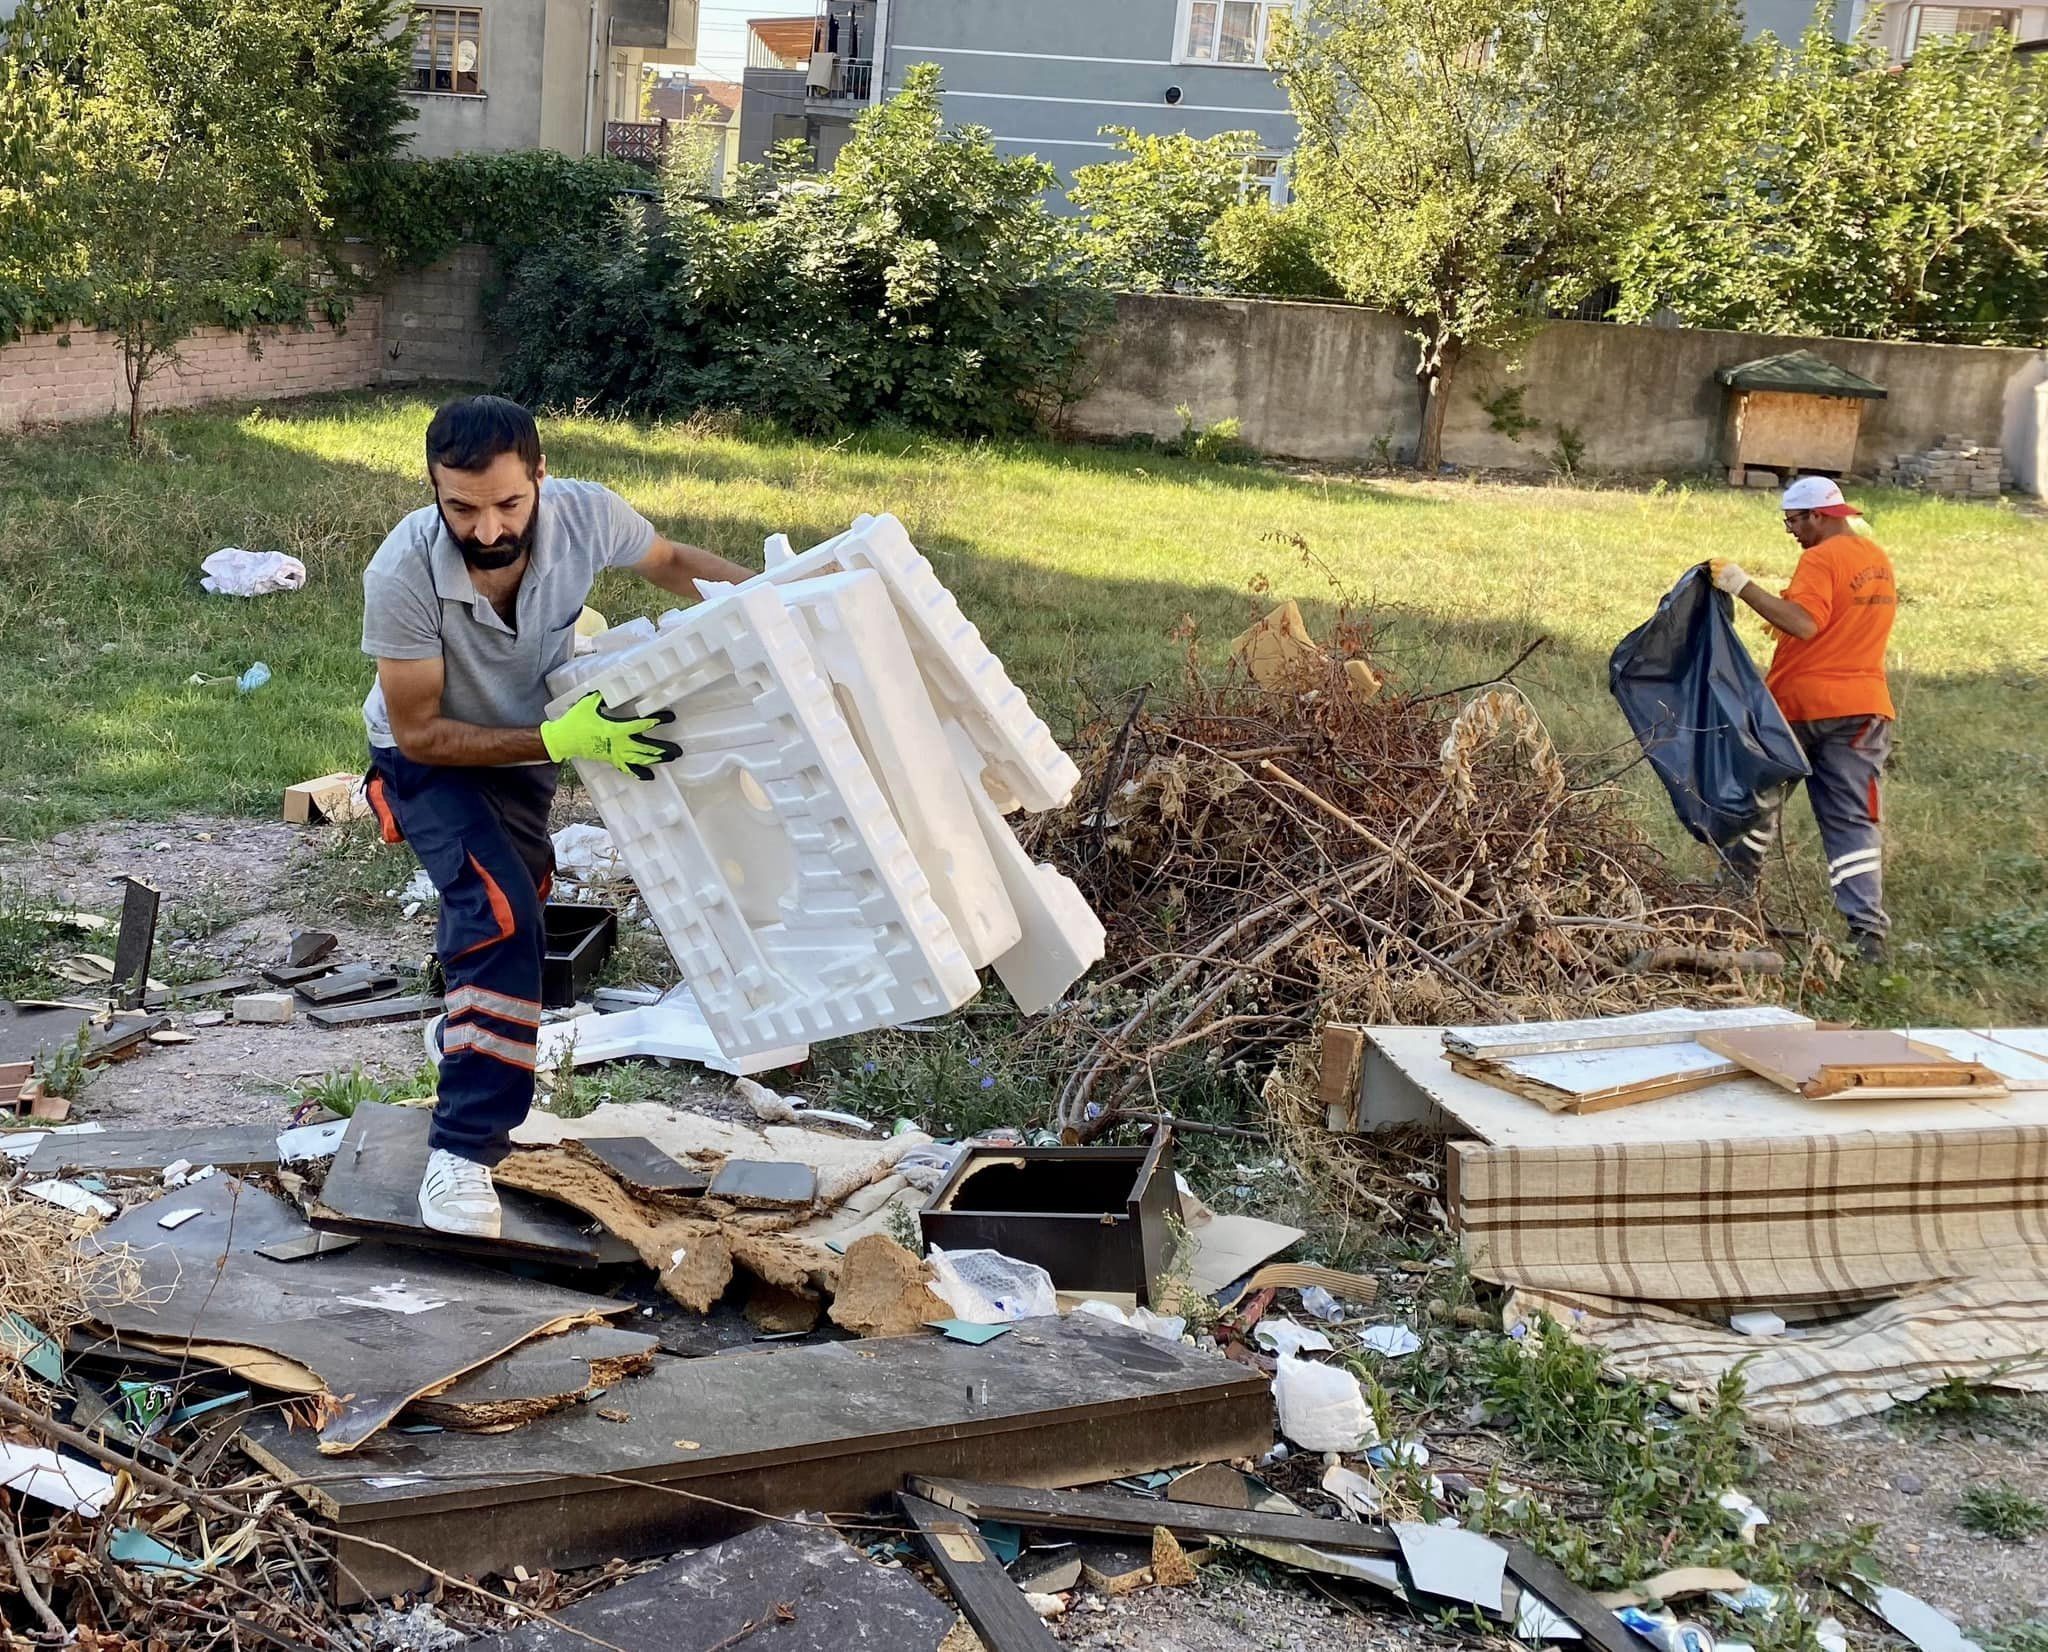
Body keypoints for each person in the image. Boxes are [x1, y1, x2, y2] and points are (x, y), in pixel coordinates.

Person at [359, 395, 754, 1237]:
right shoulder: (402, 573)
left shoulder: (586, 514)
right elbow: (422, 728)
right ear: (434, 489)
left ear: (542, 474)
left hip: (532, 748)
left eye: (508, 502)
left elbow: (672, 557)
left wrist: (773, 606)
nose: (488, 528)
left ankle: (464, 1030)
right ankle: (462, 1154)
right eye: (460, 507)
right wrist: (556, 735)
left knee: (521, 908)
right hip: (427, 760)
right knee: (499, 918)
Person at [1709, 475, 1898, 965]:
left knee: (1756, 801)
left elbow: (1805, 623)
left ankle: (1731, 900)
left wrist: (1740, 584)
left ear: (1818, 516)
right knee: (1852, 820)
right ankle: (1867, 934)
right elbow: (1834, 620)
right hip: (1865, 709)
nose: (1790, 530)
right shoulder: (1875, 559)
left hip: (1801, 709)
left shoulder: (1820, 558)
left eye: (1793, 520)